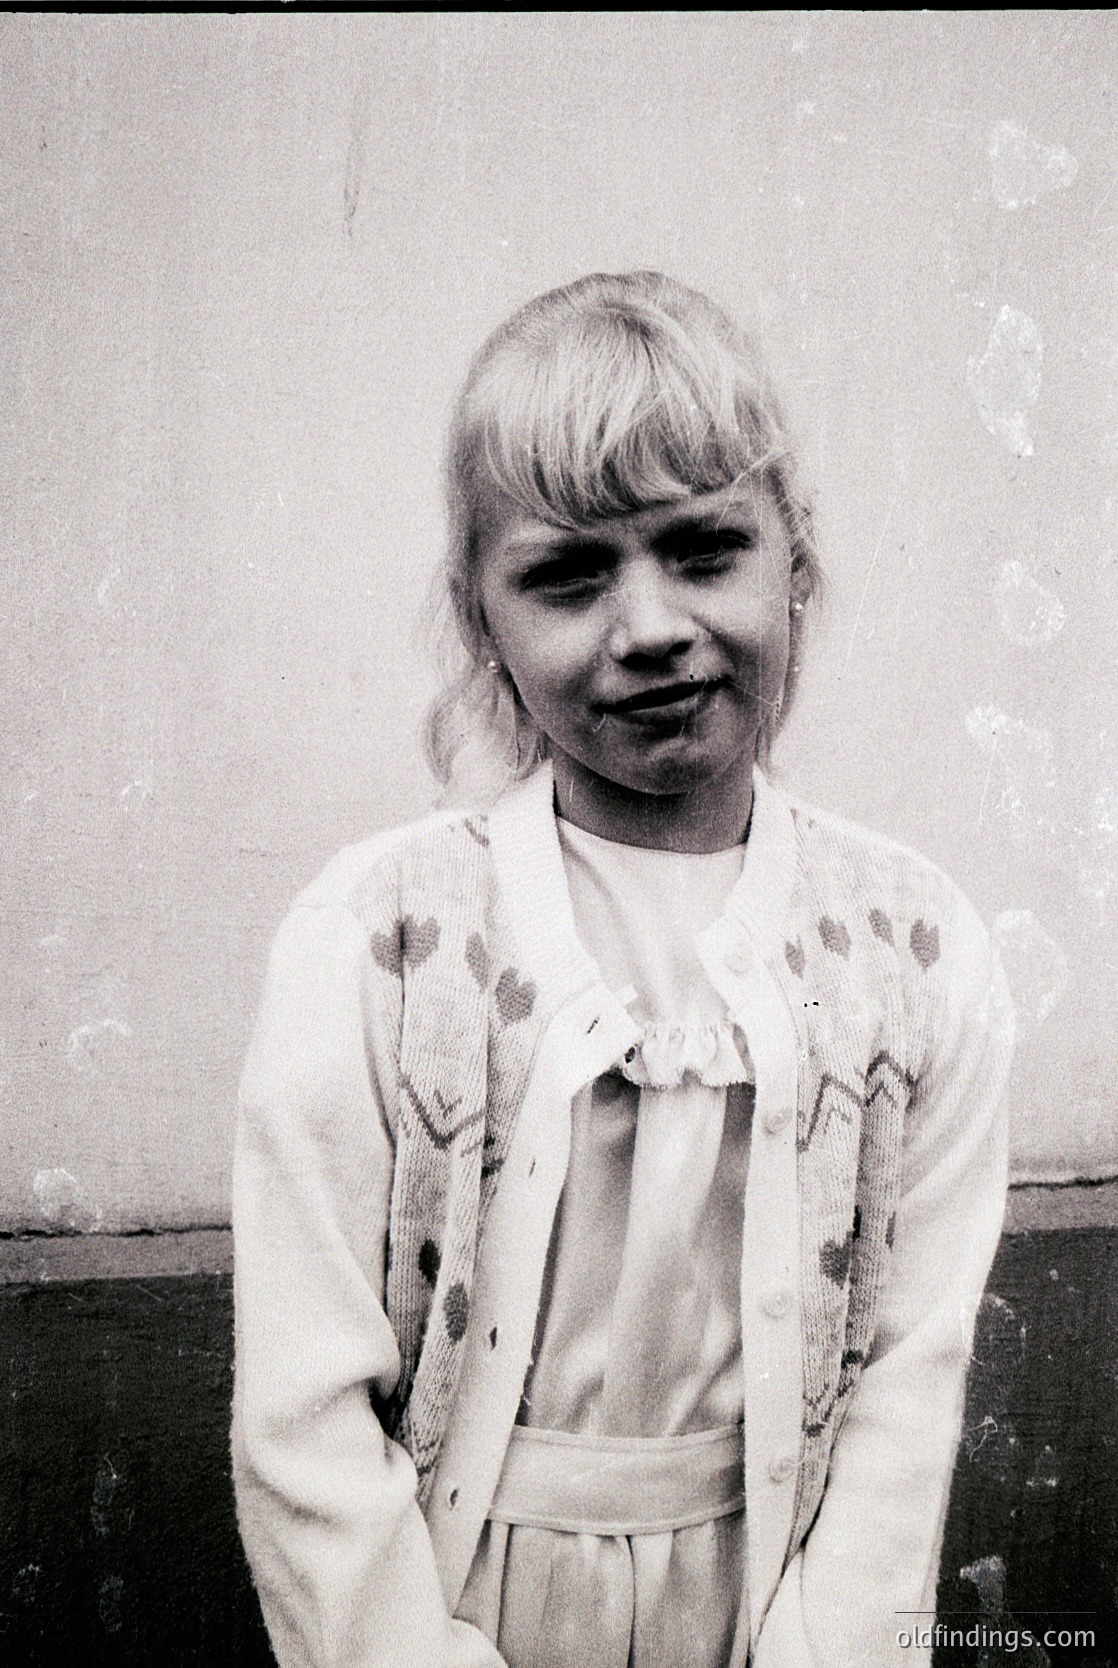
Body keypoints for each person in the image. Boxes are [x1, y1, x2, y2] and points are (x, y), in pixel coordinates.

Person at [231, 271, 1015, 1668]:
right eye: (567, 574)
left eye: (704, 547)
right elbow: (303, 1424)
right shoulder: (375, 942)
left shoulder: (916, 951)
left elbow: (907, 1389)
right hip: (455, 1604)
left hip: (774, 1603)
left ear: (795, 561)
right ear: (481, 619)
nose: (647, 627)